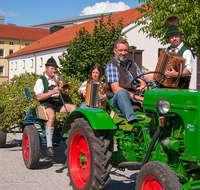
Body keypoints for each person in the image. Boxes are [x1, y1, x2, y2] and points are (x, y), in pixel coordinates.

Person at [34, 57, 76, 156]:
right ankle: (49, 146)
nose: (53, 71)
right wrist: (52, 92)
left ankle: (73, 137)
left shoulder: (57, 79)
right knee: (51, 117)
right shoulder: (41, 80)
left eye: (55, 69)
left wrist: (60, 83)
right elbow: (39, 97)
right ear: (46, 69)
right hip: (47, 103)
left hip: (58, 103)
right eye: (51, 69)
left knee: (73, 108)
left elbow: (67, 93)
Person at [105, 39, 147, 124]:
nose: (123, 53)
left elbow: (141, 80)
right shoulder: (112, 65)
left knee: (155, 90)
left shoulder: (133, 64)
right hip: (118, 99)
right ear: (115, 51)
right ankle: (132, 118)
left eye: (125, 50)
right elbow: (116, 89)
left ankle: (161, 120)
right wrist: (139, 98)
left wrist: (143, 86)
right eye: (120, 50)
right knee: (121, 93)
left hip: (135, 97)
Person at [144, 24, 194, 89]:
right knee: (147, 74)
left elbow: (188, 70)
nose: (174, 39)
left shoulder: (186, 51)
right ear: (168, 39)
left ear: (181, 37)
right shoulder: (168, 50)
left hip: (180, 83)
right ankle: (157, 94)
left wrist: (175, 74)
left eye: (176, 36)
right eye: (171, 37)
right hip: (166, 79)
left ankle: (159, 93)